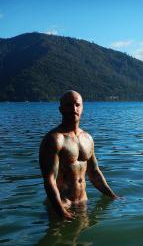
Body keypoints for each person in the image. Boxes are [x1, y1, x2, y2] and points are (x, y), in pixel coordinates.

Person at [39, 90, 117, 219]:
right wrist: (61, 211)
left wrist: (113, 196)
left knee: (85, 238)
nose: (74, 109)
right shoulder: (55, 139)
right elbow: (49, 179)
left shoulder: (87, 139)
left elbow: (94, 172)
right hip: (62, 204)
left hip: (83, 202)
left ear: (82, 108)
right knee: (59, 239)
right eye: (69, 105)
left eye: (77, 105)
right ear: (61, 109)